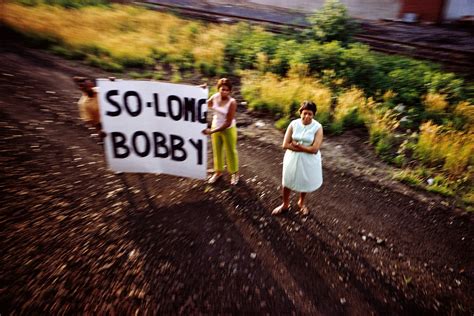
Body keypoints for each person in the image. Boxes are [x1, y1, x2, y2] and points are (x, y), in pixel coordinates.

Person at [272, 101, 323, 216]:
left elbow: (315, 149)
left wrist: (298, 145)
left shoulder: (318, 127)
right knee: (287, 180)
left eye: (310, 114)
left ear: (313, 114)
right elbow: (285, 144)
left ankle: (301, 203)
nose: (307, 116)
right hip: (292, 157)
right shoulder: (293, 124)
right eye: (305, 113)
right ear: (300, 113)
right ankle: (285, 204)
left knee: (304, 180)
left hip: (309, 161)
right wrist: (306, 148)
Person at [202, 78, 239, 185]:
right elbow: (203, 103)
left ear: (230, 91)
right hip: (215, 126)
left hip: (228, 129)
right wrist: (201, 91)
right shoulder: (215, 97)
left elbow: (228, 122)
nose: (224, 92)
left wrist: (212, 131)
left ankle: (235, 173)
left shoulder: (232, 102)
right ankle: (218, 172)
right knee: (217, 150)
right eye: (222, 89)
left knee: (231, 151)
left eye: (227, 90)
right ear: (218, 89)